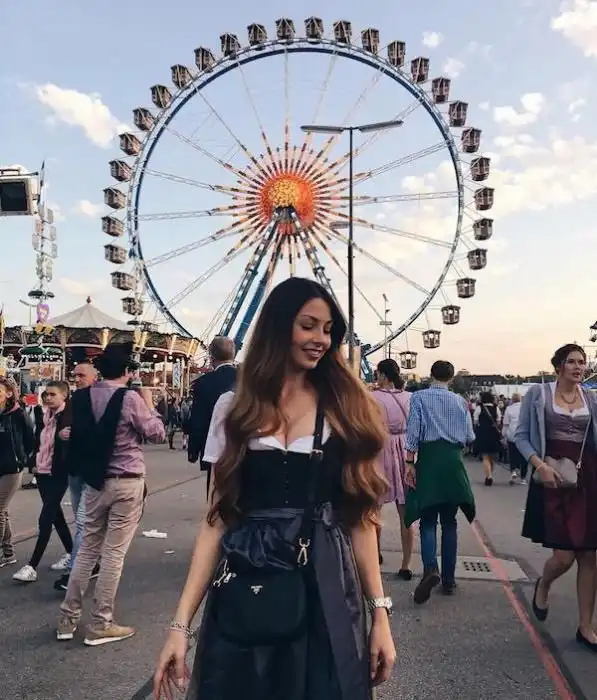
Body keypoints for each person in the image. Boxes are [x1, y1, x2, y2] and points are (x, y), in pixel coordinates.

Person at [153, 277, 396, 700]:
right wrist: (180, 625)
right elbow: (216, 520)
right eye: (308, 325)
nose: (321, 339)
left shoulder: (347, 408)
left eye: (328, 330)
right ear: (278, 326)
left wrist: (380, 615)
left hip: (325, 579)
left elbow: (361, 520)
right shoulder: (233, 409)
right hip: (250, 573)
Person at [56, 342, 165, 646]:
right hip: (126, 480)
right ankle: (101, 622)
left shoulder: (81, 396)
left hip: (94, 481)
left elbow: (73, 433)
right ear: (128, 371)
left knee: (87, 550)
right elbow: (156, 433)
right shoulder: (129, 398)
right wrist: (150, 404)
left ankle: (67, 619)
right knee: (113, 553)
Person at [516, 343, 597, 651]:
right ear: (559, 366)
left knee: (589, 554)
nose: (578, 367)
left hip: (586, 477)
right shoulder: (538, 395)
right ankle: (545, 583)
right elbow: (521, 436)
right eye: (572, 361)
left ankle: (586, 627)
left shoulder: (591, 399)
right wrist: (539, 465)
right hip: (552, 474)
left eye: (582, 362)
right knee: (564, 556)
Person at [404, 360, 476, 603]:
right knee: (450, 522)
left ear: (430, 375)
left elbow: (413, 431)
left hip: (429, 460)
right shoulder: (460, 401)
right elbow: (469, 436)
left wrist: (409, 462)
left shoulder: (419, 398)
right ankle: (449, 579)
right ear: (451, 378)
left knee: (427, 520)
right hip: (452, 462)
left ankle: (430, 569)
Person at [13, 381, 74, 583]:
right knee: (56, 516)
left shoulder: (69, 417)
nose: (47, 397)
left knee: (46, 517)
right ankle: (72, 553)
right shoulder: (44, 415)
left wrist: (70, 437)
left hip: (59, 473)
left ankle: (32, 566)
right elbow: (40, 442)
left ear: (64, 396)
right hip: (42, 471)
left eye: (52, 394)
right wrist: (33, 462)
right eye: (46, 394)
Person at [54, 361, 99, 592]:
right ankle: (92, 562)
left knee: (83, 522)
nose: (77, 378)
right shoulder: (73, 401)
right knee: (82, 523)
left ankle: (74, 573)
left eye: (82, 375)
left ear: (94, 377)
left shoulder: (100, 400)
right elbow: (61, 428)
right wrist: (61, 433)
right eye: (75, 375)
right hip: (74, 469)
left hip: (90, 470)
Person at [372, 358, 413, 578]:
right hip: (405, 450)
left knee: (374, 509)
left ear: (383, 375)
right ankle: (406, 564)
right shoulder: (410, 397)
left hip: (381, 449)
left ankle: (375, 555)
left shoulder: (372, 398)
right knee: (405, 512)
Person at [187, 336, 237, 498]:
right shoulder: (248, 379)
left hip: (214, 446)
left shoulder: (204, 383)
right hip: (241, 444)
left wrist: (193, 450)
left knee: (215, 489)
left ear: (211, 356)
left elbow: (198, 419)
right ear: (233, 354)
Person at [0, 377, 35, 568]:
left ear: (8, 394)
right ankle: (8, 553)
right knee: (2, 512)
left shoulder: (18, 414)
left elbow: (30, 440)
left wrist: (22, 460)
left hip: (12, 469)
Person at [473, 391, 502, 486]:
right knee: (491, 457)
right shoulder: (496, 408)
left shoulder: (479, 408)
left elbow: (475, 421)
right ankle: (490, 475)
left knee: (485, 456)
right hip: (493, 434)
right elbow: (498, 421)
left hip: (483, 434)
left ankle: (489, 476)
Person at [502, 393, 526, 485]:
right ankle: (523, 478)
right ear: (520, 399)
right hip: (523, 435)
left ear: (512, 400)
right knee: (523, 457)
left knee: (512, 455)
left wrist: (504, 435)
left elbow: (506, 423)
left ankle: (513, 471)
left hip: (512, 434)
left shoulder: (509, 409)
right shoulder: (525, 408)